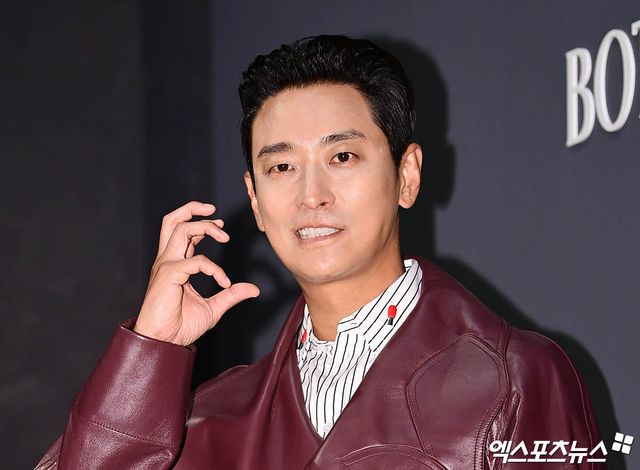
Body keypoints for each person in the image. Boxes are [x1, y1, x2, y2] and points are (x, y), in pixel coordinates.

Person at [36, 35, 603, 470]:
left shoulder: (516, 379)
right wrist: (151, 350)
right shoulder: (204, 417)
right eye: (282, 166)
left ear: (406, 175)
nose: (312, 195)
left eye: (342, 157)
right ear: (255, 200)